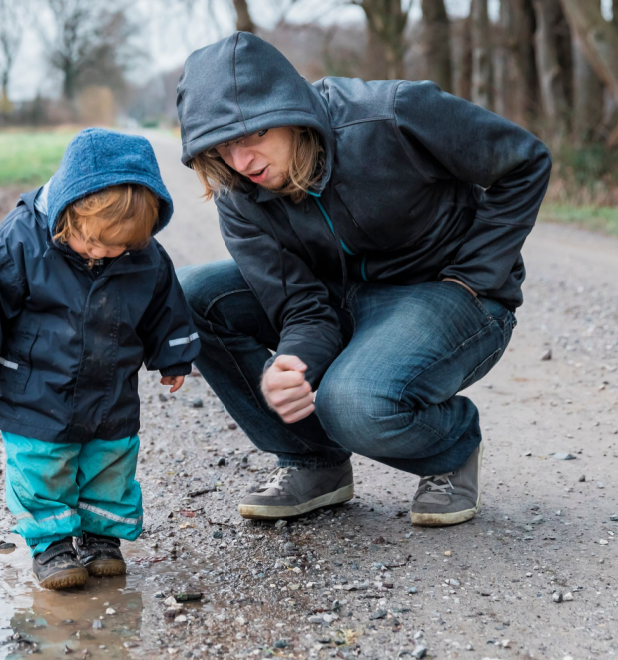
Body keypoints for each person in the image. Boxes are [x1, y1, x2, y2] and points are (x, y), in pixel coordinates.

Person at [175, 33, 551, 527]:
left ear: (286, 112)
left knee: (351, 403)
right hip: (341, 300)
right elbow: (302, 306)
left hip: (446, 292)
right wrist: (294, 362)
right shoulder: (238, 191)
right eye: (223, 146)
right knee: (190, 295)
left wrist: (474, 275)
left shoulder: (393, 114)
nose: (242, 161)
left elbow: (524, 162)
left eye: (253, 136)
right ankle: (314, 462)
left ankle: (451, 447)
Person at [0, 128, 199, 589]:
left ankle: (103, 537)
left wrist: (174, 355)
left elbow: (166, 306)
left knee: (111, 463)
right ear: (69, 214)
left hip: (110, 389)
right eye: (95, 244)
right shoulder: (21, 240)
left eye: (121, 246)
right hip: (34, 389)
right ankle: (53, 545)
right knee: (42, 465)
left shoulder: (145, 256)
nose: (106, 253)